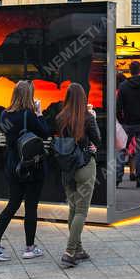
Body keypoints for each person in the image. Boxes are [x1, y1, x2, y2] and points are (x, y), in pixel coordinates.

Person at [0, 81, 50, 262]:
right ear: (29, 95)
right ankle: (29, 248)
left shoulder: (4, 114)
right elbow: (45, 132)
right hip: (32, 166)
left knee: (12, 204)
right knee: (31, 206)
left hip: (13, 165)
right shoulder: (30, 114)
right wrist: (40, 113)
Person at [58, 83, 101, 267]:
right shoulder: (87, 117)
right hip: (84, 165)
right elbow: (97, 139)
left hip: (66, 168)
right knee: (81, 211)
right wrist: (94, 118)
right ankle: (69, 251)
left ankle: (79, 249)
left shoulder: (60, 117)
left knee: (73, 209)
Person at [117, 61, 140, 188]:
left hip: (127, 123)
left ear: (129, 70)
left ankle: (117, 178)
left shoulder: (123, 86)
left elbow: (118, 107)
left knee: (123, 150)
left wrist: (122, 121)